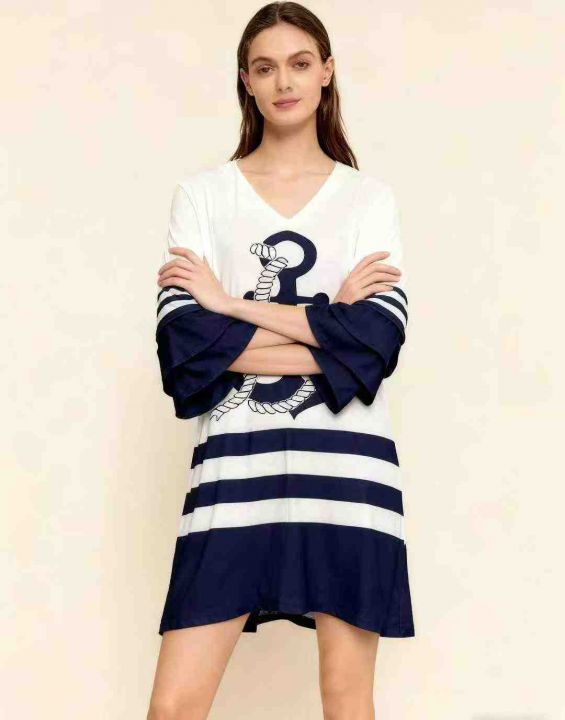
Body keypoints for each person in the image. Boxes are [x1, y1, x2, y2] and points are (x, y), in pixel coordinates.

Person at [148, 3, 414, 718]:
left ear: (326, 72)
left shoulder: (367, 201)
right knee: (173, 707)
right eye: (265, 68)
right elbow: (185, 349)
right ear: (246, 81)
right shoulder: (203, 197)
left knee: (346, 702)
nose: (284, 81)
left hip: (349, 473)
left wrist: (229, 305)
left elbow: (375, 346)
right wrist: (328, 329)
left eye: (299, 64)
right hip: (234, 468)